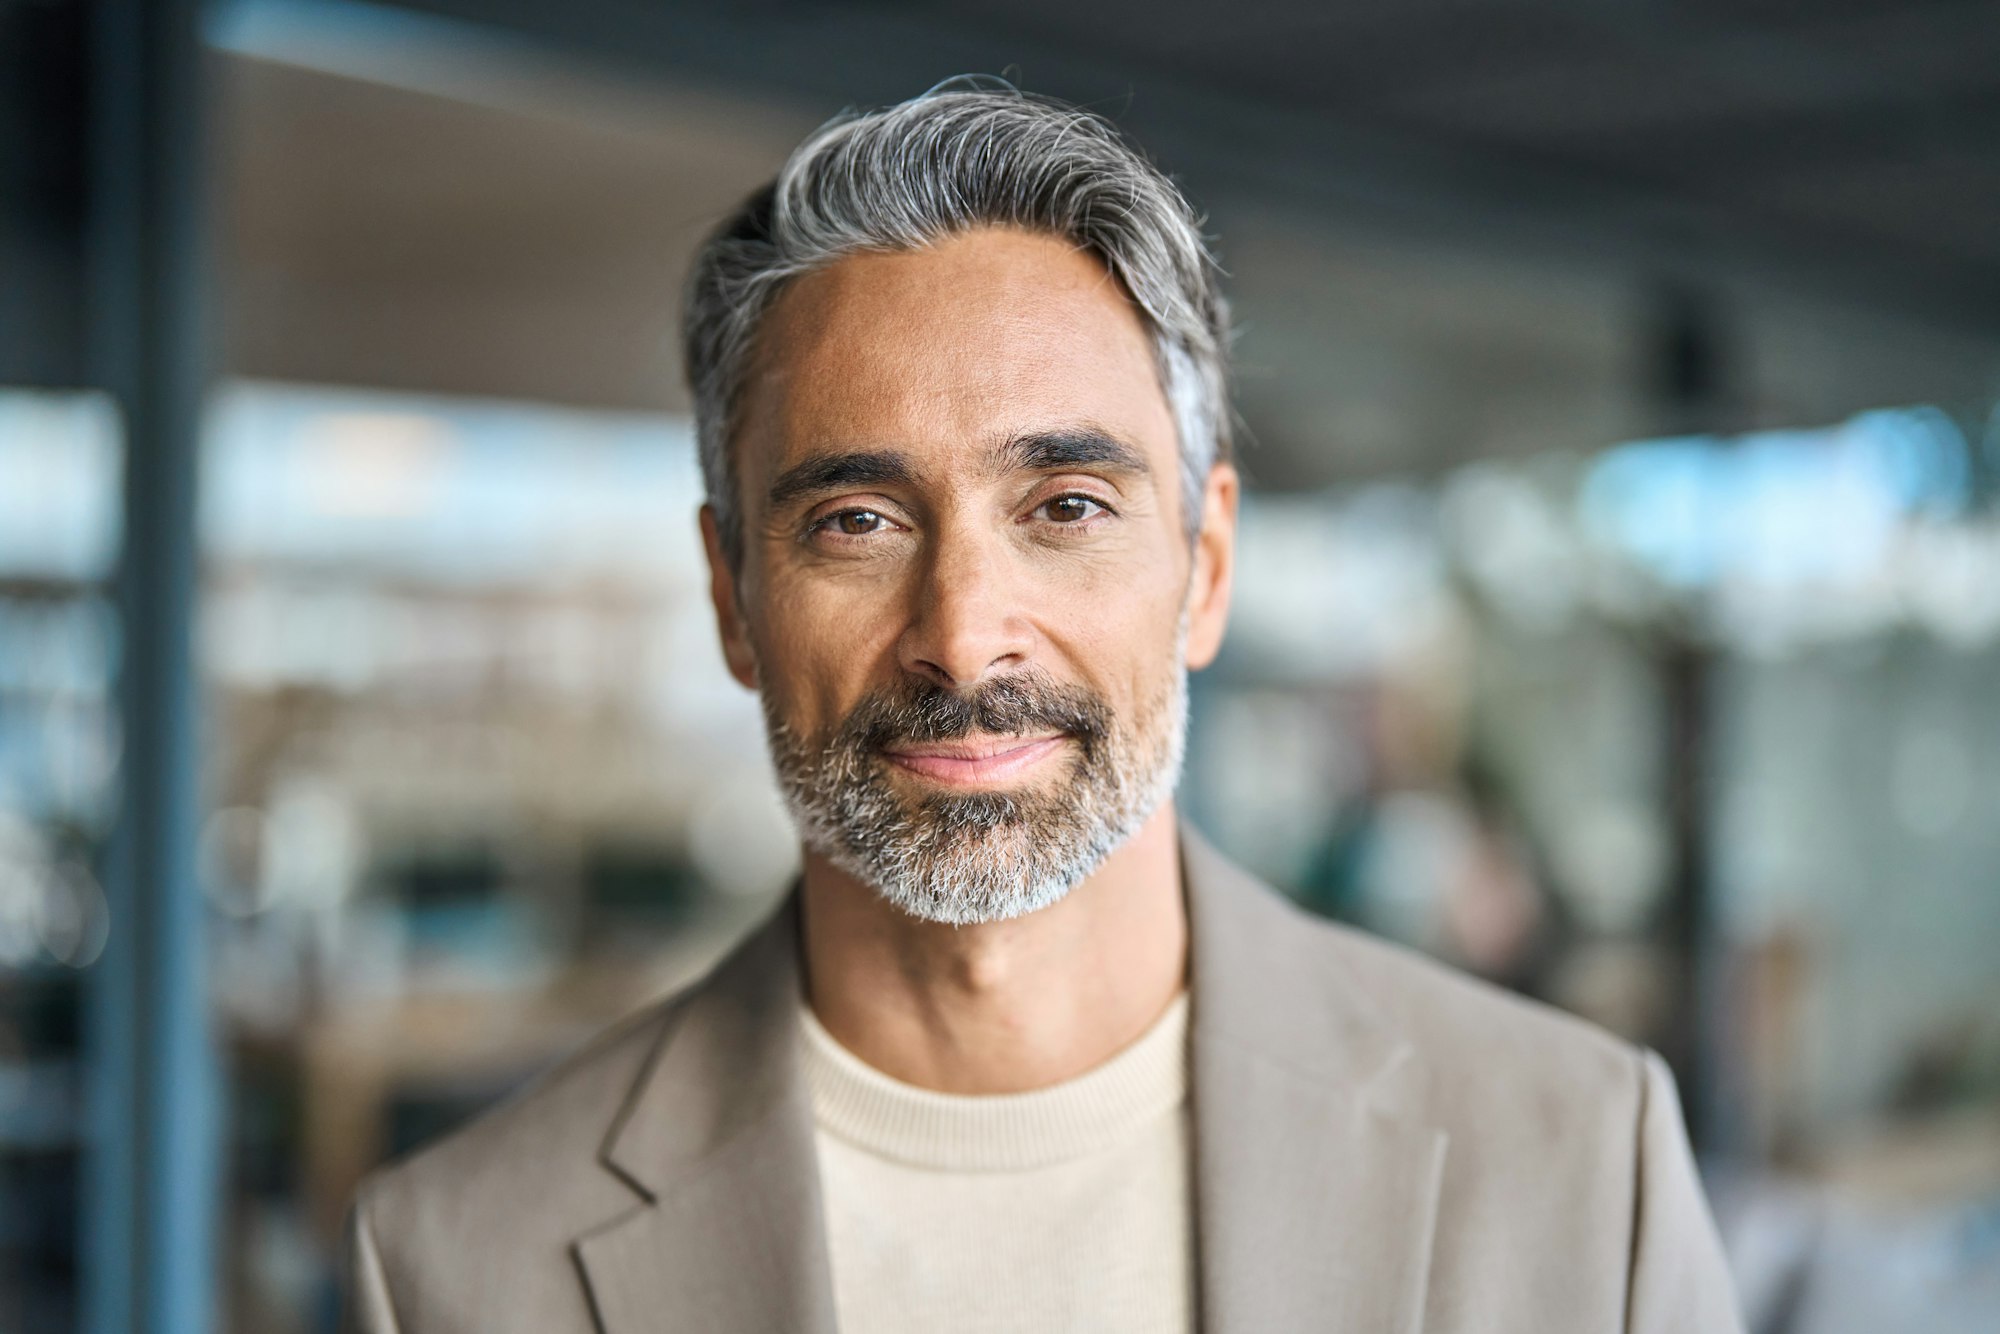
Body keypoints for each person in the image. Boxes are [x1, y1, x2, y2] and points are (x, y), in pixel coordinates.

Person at [340, 83, 1743, 1334]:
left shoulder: (1577, 1164)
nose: (962, 636)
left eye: (1067, 506)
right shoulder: (462, 1266)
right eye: (857, 520)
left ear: (1203, 569)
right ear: (731, 598)